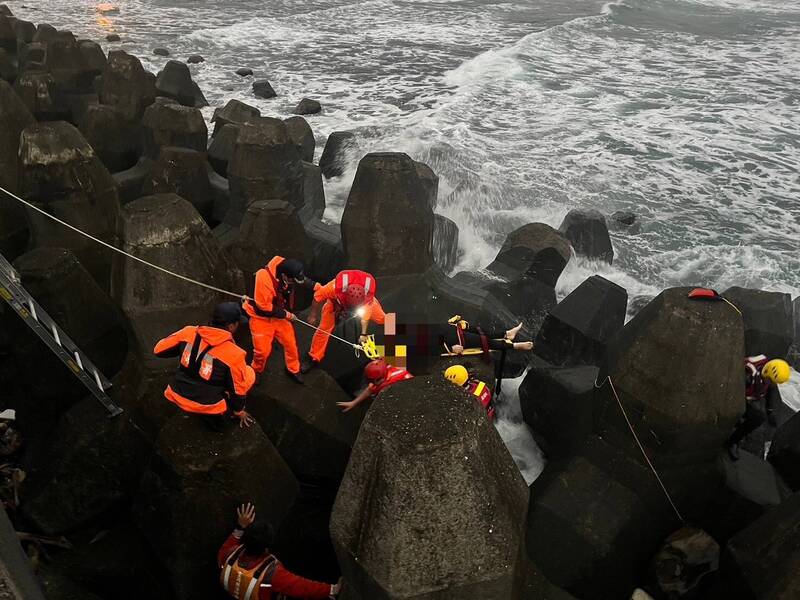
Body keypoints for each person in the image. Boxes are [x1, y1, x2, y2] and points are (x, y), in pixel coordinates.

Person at [154, 302, 256, 430]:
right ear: (231, 326)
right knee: (249, 372)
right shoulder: (235, 354)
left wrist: (184, 350)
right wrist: (238, 411)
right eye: (237, 323)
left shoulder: (188, 332)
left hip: (177, 393)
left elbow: (158, 350)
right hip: (207, 405)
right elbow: (238, 391)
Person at [218, 503, 342, 599]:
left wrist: (241, 526)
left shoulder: (228, 555)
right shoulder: (272, 575)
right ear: (266, 548)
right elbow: (302, 587)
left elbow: (228, 545)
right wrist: (332, 590)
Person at [246, 257, 317, 384]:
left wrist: (317, 287)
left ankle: (293, 369)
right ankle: (256, 370)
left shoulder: (288, 268)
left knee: (290, 343)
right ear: (284, 275)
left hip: (279, 315)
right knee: (262, 351)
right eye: (291, 280)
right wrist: (287, 315)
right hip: (261, 317)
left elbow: (302, 281)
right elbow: (264, 307)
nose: (293, 283)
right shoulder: (264, 279)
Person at [301, 270, 385, 373]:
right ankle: (313, 358)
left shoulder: (368, 300)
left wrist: (363, 334)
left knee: (383, 319)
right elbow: (317, 296)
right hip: (335, 304)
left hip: (363, 305)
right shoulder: (333, 288)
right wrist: (312, 315)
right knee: (323, 330)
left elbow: (365, 318)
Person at [727, 356, 791, 460]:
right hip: (735, 398)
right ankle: (732, 442)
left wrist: (770, 411)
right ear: (766, 372)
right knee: (757, 418)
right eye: (771, 380)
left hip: (745, 399)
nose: (772, 383)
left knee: (758, 416)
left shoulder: (766, 368)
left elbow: (770, 389)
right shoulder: (748, 374)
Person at [337, 359, 414, 412]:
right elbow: (369, 390)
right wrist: (353, 403)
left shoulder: (400, 378)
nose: (371, 384)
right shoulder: (382, 378)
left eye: (374, 381)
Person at [441, 317, 533, 356]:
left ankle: (507, 334)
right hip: (454, 339)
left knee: (480, 330)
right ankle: (514, 346)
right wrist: (451, 349)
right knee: (482, 340)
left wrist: (450, 323)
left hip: (451, 330)